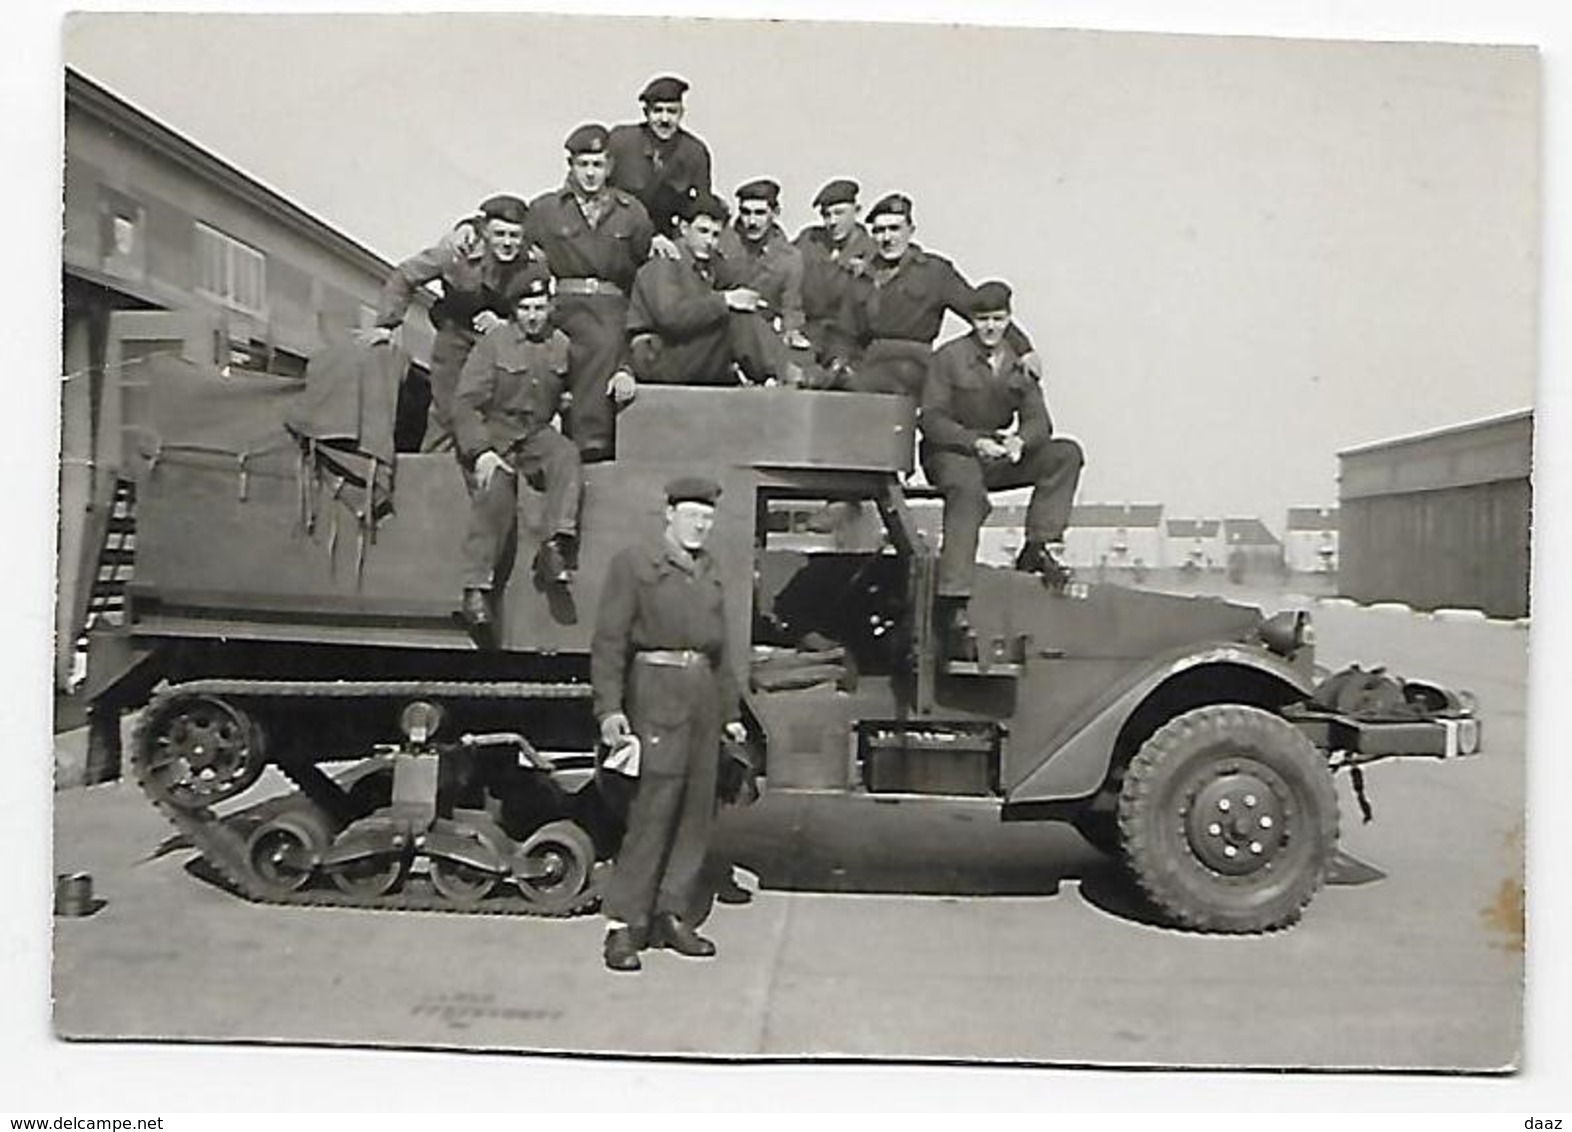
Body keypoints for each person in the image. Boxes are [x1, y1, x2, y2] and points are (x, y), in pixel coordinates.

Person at [591, 475, 748, 972]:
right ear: (669, 515)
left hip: (702, 695)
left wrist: (731, 715)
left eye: (707, 518)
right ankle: (624, 926)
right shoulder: (635, 566)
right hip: (655, 693)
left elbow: (720, 654)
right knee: (651, 811)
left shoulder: (709, 574)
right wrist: (611, 710)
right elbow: (610, 643)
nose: (700, 525)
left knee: (696, 812)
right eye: (691, 515)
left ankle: (672, 912)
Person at [919, 281, 1084, 648]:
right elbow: (931, 419)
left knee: (1065, 453)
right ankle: (954, 602)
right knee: (968, 493)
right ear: (972, 322)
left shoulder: (1017, 364)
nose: (990, 328)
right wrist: (973, 442)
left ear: (1009, 318)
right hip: (949, 452)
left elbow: (1039, 421)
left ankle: (1040, 546)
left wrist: (1018, 442)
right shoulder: (949, 357)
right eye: (982, 320)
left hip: (995, 451)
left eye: (997, 319)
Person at [450, 265, 582, 638]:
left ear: (550, 307)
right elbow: (465, 403)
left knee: (567, 456)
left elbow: (570, 389)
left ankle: (554, 546)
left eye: (539, 307)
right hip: (496, 435)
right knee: (495, 493)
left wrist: (565, 408)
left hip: (536, 435)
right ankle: (476, 589)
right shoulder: (493, 344)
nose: (533, 316)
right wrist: (480, 452)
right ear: (514, 310)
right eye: (525, 308)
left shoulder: (561, 345)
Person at [366, 194, 534, 451]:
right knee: (447, 410)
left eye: (514, 236)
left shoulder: (532, 265)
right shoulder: (457, 253)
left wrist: (507, 324)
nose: (508, 243)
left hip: (503, 345)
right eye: (500, 234)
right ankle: (435, 472)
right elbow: (405, 276)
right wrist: (386, 324)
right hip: (455, 336)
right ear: (486, 231)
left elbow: (544, 311)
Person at [832, 193, 1041, 397]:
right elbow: (844, 331)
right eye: (879, 231)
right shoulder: (862, 276)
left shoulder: (934, 271)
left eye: (894, 229)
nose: (887, 238)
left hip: (914, 365)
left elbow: (979, 309)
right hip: (871, 364)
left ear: (910, 231)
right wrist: (839, 364)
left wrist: (1024, 349)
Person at [525, 124, 649, 461]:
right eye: (583, 165)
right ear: (571, 165)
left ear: (609, 165)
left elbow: (641, 266)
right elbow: (528, 260)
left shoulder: (631, 211)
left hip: (611, 303)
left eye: (597, 164)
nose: (591, 173)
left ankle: (591, 441)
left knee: (604, 344)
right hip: (562, 301)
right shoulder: (546, 209)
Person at [626, 191, 795, 386]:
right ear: (684, 228)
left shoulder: (710, 266)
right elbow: (671, 318)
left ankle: (781, 373)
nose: (709, 241)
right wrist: (725, 300)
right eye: (703, 231)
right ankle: (786, 375)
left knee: (742, 316)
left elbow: (739, 286)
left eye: (716, 235)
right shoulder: (665, 261)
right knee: (735, 318)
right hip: (656, 355)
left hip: (684, 350)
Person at [607, 75, 714, 239]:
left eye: (672, 111)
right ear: (646, 113)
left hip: (667, 238)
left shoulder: (694, 152)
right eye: (657, 111)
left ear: (681, 113)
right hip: (618, 235)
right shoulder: (621, 141)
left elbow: (702, 207)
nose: (665, 119)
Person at [793, 177, 877, 364]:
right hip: (809, 333)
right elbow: (783, 267)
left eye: (839, 213)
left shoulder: (873, 251)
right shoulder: (809, 240)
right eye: (826, 215)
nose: (832, 221)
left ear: (857, 211)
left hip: (850, 340)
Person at [716, 178, 807, 347]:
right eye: (745, 212)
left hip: (763, 336)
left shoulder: (790, 258)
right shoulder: (721, 243)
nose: (751, 222)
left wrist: (791, 331)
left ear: (775, 212)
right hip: (719, 327)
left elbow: (791, 306)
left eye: (759, 213)